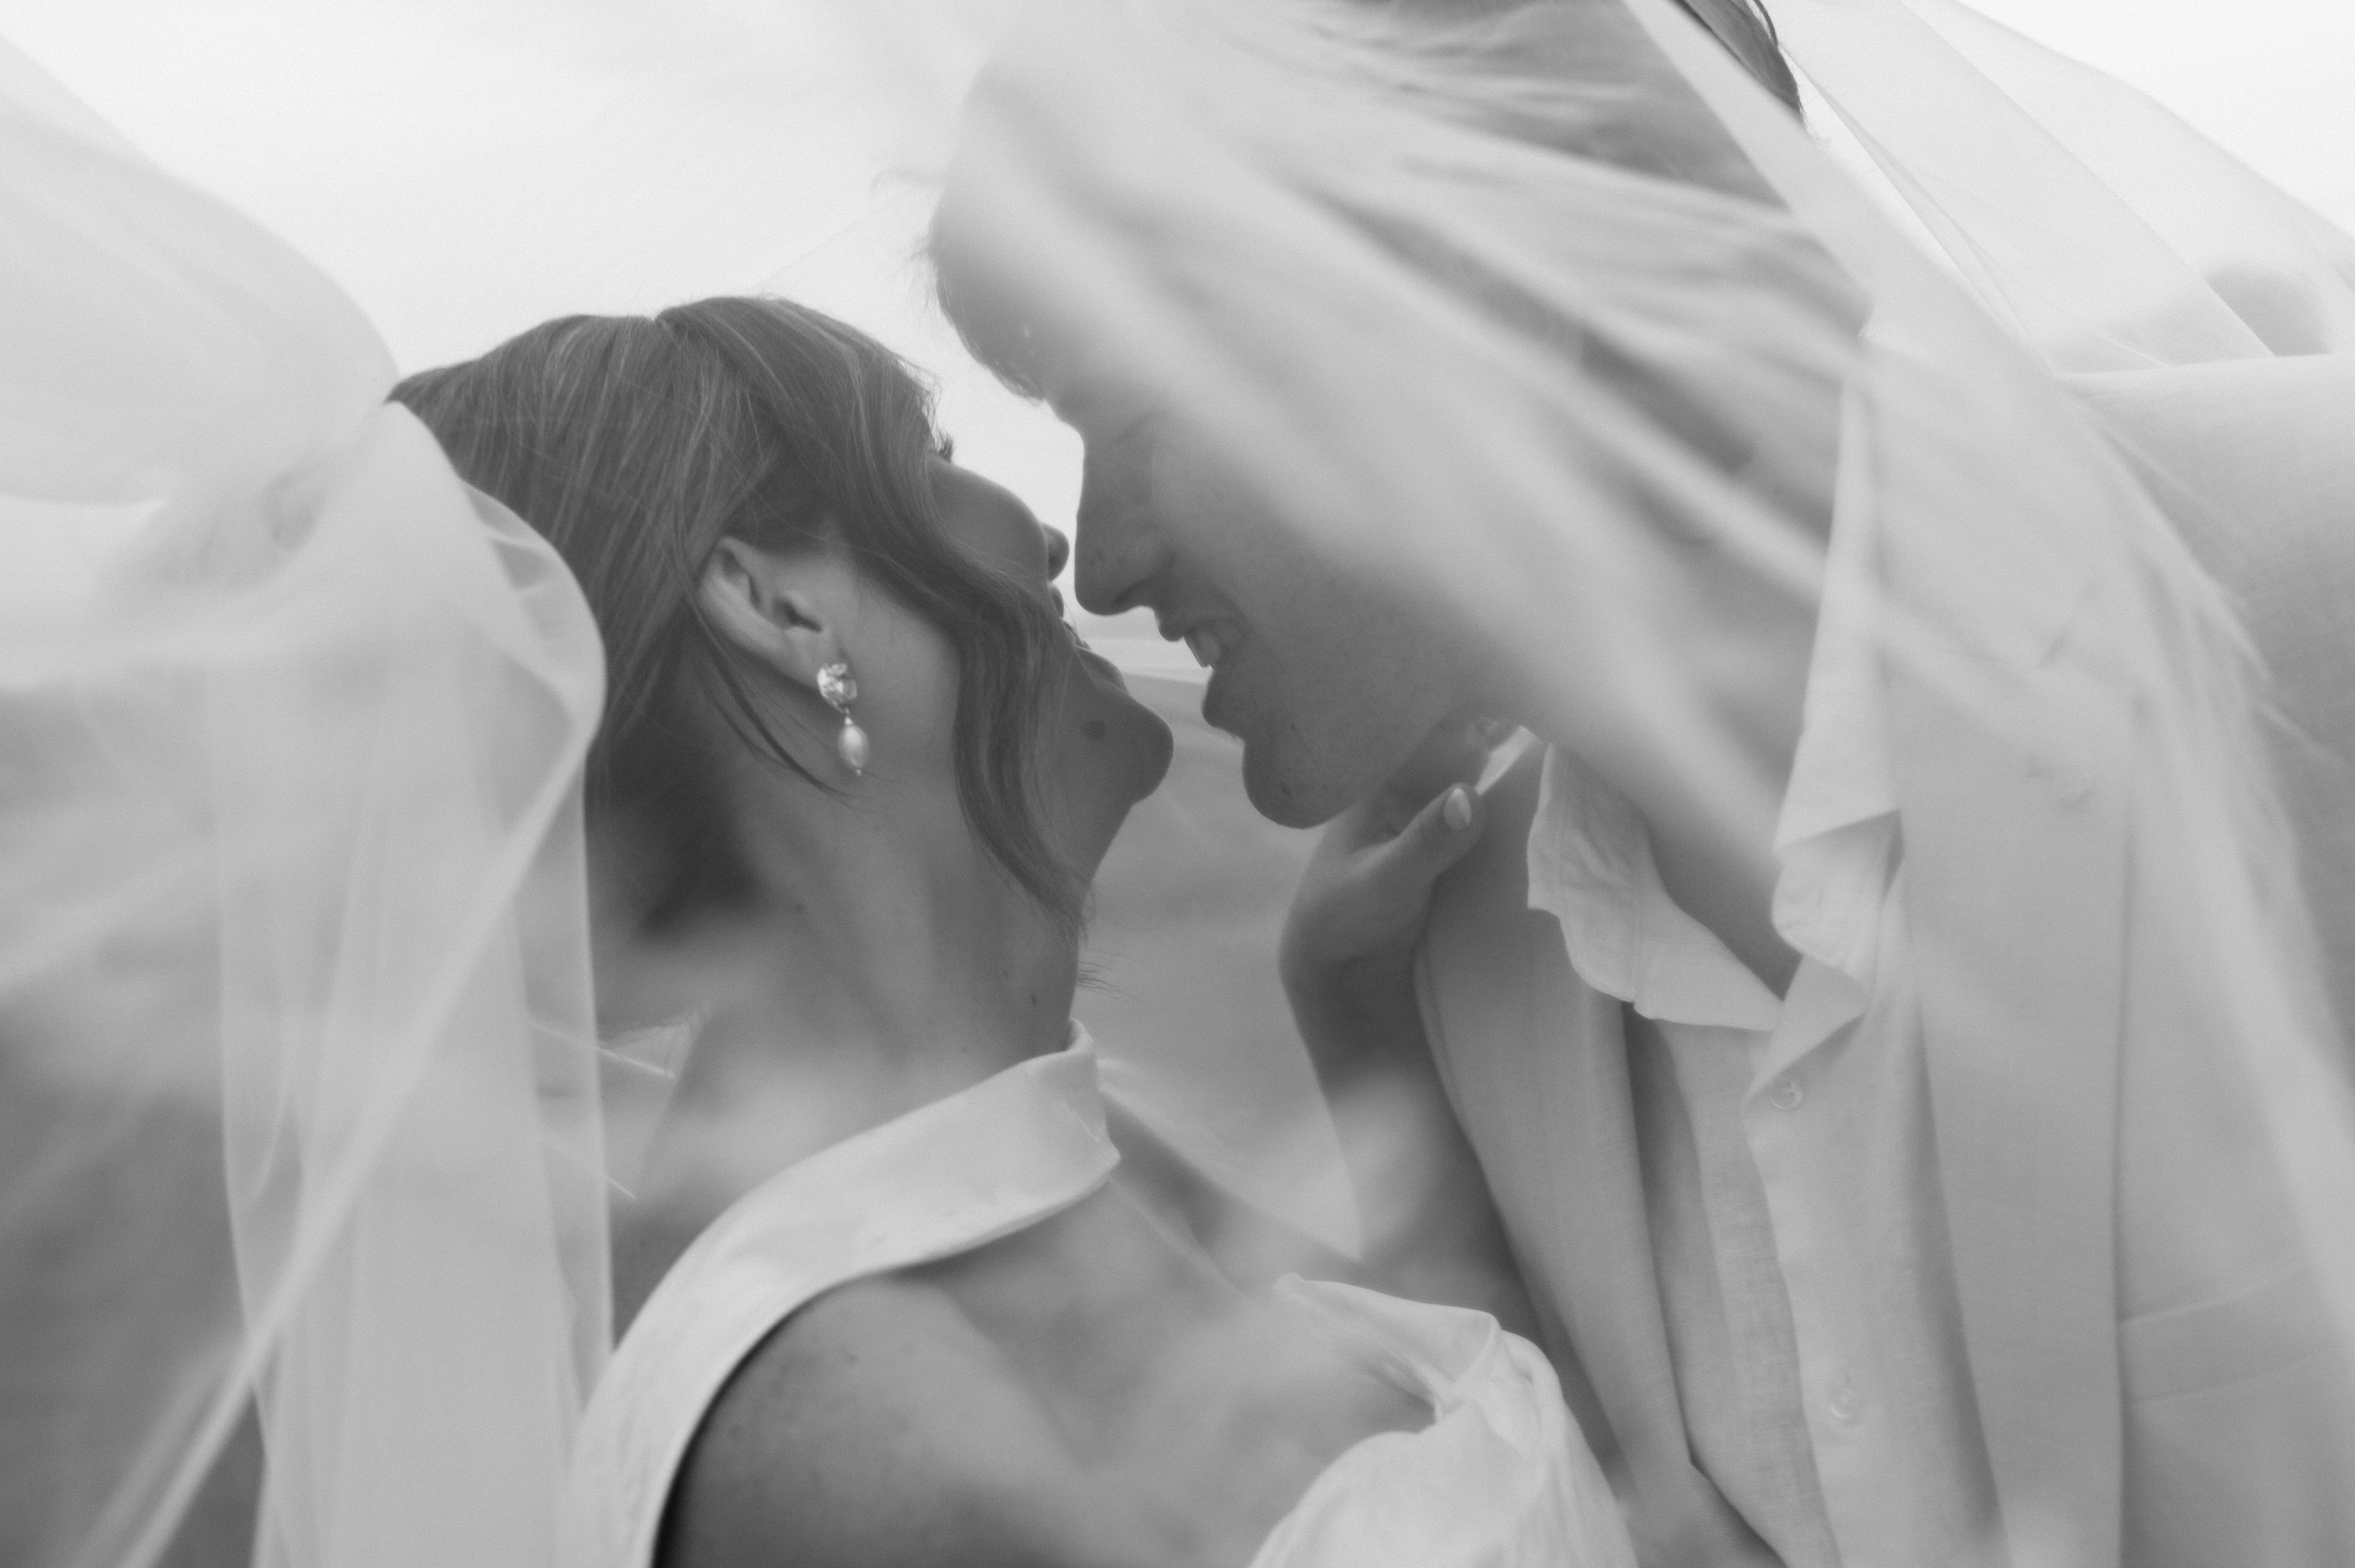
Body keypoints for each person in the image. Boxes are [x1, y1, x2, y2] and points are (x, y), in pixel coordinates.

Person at [926, 0, 2355, 1565]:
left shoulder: (2302, 583)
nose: (1106, 558)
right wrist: (1367, 1042)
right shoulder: (1470, 972)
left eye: (1130, 415)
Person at [394, 298, 1637, 1568]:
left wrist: (1362, 1017)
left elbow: (1580, 1479)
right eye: (928, 462)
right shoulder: (847, 1431)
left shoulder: (1037, 1149)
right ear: (780, 605)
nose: (1057, 544)